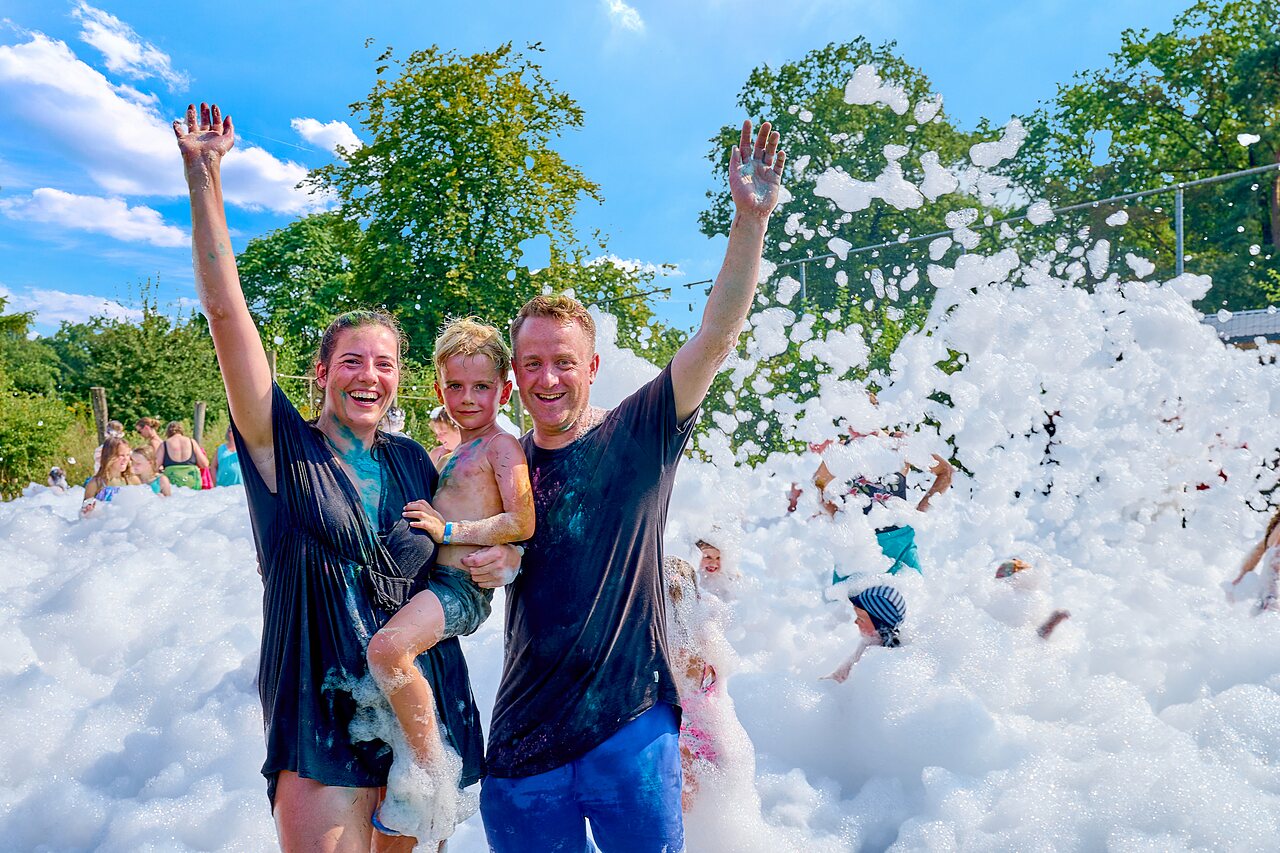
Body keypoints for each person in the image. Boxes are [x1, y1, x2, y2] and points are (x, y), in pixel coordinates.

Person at [174, 102, 519, 852]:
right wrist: (205, 179)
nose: (369, 375)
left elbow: (465, 564)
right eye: (352, 361)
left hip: (419, 709)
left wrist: (500, 560)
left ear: (400, 380)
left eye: (385, 363)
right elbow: (227, 314)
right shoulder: (281, 450)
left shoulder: (414, 462)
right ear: (322, 373)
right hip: (318, 706)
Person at [480, 118, 784, 852]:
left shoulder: (637, 435)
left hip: (632, 723)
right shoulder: (499, 464)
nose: (547, 378)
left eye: (563, 361)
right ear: (515, 376)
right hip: (522, 737)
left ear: (590, 368)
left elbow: (715, 335)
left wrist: (750, 221)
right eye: (532, 364)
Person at [365, 318, 534, 839]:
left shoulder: (502, 448)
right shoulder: (448, 452)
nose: (467, 398)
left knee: (387, 650)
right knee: (386, 653)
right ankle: (417, 771)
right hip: (432, 588)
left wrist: (451, 529)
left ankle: (429, 770)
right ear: (439, 390)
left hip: (460, 588)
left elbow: (522, 520)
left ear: (504, 390)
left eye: (481, 387)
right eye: (456, 387)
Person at [824, 584, 906, 683]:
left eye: (861, 619)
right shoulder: (867, 643)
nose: (856, 622)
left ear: (879, 627)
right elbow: (846, 670)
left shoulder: (878, 657)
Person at [1232, 508, 1280, 612]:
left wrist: (1241, 576)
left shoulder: (1274, 528)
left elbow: (1257, 551)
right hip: (1271, 600)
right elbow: (1274, 562)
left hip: (1266, 598)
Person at [81, 436, 141, 516]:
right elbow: (83, 515)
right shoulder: (95, 484)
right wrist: (88, 511)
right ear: (109, 457)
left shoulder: (133, 480)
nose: (126, 459)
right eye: (121, 455)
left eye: (127, 455)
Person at [159, 420, 209, 490]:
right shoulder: (192, 442)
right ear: (181, 431)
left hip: (172, 481)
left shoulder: (164, 444)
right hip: (192, 480)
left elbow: (155, 466)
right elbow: (204, 464)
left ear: (167, 432)